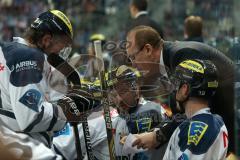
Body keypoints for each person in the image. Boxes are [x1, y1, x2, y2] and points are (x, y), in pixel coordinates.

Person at [0, 10, 99, 159]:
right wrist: (67, 109)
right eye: (63, 45)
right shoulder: (27, 57)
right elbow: (31, 117)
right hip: (21, 147)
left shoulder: (13, 51)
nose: (62, 53)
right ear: (47, 39)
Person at [126, 25, 235, 153]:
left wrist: (158, 136)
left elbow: (195, 109)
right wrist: (157, 133)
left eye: (133, 57)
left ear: (148, 49)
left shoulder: (182, 56)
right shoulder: (172, 57)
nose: (132, 64)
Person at [53, 65, 167, 160]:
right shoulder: (100, 121)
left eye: (123, 91)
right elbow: (59, 148)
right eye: (113, 93)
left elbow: (152, 115)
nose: (118, 98)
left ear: (136, 90)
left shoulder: (156, 111)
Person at [162, 59, 228, 159]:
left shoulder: (196, 129)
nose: (174, 89)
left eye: (176, 83)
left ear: (185, 89)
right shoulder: (215, 121)